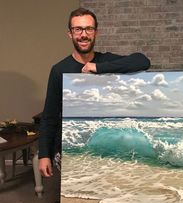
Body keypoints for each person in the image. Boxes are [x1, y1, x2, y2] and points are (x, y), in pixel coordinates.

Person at [38, 7, 151, 176]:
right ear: (70, 33)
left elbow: (142, 61)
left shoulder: (106, 60)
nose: (83, 34)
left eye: (88, 29)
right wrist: (44, 154)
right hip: (69, 146)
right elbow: (49, 116)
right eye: (78, 29)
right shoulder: (59, 70)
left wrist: (98, 67)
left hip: (104, 144)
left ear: (96, 32)